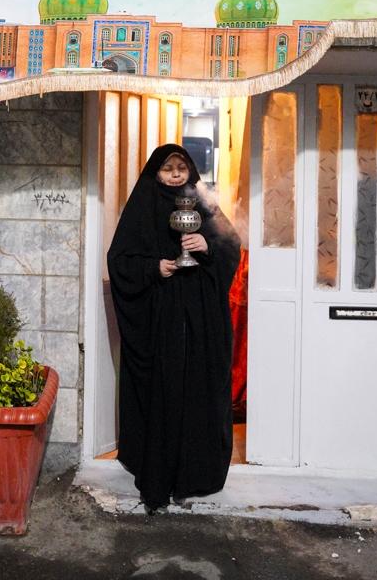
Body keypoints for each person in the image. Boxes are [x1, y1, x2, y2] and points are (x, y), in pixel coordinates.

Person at [107, 143, 241, 513]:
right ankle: (159, 473)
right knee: (163, 392)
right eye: (168, 168)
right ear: (156, 173)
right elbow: (119, 260)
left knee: (197, 391)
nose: (176, 174)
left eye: (182, 167)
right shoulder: (143, 205)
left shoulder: (202, 203)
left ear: (191, 171)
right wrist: (154, 268)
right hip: (160, 319)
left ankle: (195, 475)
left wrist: (207, 245)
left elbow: (232, 247)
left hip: (200, 320)